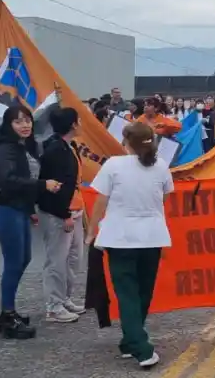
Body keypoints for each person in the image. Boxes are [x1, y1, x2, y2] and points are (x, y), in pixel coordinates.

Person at [85, 122, 174, 368]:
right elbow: (164, 198)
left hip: (120, 236)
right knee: (143, 291)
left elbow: (101, 201)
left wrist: (92, 231)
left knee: (127, 292)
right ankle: (131, 340)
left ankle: (140, 347)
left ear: (127, 143)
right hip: (152, 236)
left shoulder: (113, 165)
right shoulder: (161, 166)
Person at [0, 105, 63, 339]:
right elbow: (8, 179)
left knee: (24, 258)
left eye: (27, 120)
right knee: (13, 262)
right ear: (9, 125)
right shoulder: (4, 148)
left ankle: (8, 312)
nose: (25, 125)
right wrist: (43, 185)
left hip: (19, 209)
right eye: (18, 121)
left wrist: (30, 209)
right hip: (6, 210)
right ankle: (7, 316)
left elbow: (24, 177)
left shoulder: (24, 146)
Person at [37, 107, 86, 323]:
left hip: (74, 209)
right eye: (79, 120)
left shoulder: (69, 146)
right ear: (73, 124)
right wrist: (64, 213)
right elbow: (56, 186)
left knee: (74, 258)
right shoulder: (56, 150)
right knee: (57, 260)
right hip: (60, 213)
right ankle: (54, 306)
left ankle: (65, 298)